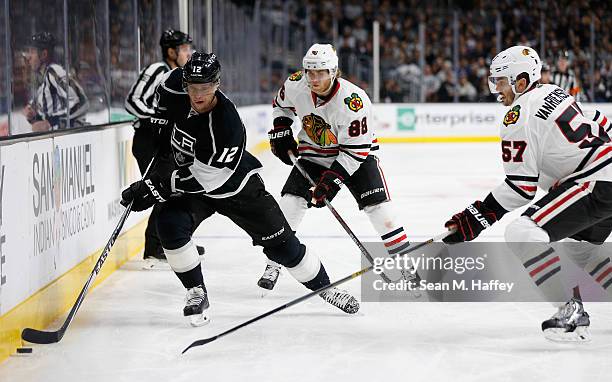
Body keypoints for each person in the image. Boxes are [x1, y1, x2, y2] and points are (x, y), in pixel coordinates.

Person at [120, 52, 360, 326]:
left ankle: (326, 288)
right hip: (193, 183)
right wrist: (157, 146)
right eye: (193, 88)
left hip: (236, 189)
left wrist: (157, 187)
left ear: (217, 84)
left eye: (206, 88)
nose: (198, 95)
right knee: (169, 225)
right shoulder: (174, 84)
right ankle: (196, 291)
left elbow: (208, 179)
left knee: (283, 247)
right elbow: (163, 113)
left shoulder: (227, 124)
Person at [442, 45, 612, 342]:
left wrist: (476, 217)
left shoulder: (517, 115)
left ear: (521, 82)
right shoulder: (554, 91)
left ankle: (570, 309)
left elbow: (522, 188)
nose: (496, 89)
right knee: (580, 249)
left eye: (501, 81)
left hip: (596, 181)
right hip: (602, 174)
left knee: (521, 232)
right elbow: (597, 118)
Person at [259, 43, 414, 293]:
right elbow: (281, 106)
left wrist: (330, 183)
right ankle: (274, 261)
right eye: (310, 71)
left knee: (380, 210)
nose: (314, 78)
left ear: (334, 72)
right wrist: (281, 128)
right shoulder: (297, 83)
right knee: (289, 204)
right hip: (313, 153)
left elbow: (355, 151)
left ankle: (407, 264)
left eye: (320, 72)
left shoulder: (354, 102)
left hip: (355, 155)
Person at [125, 29, 204, 264]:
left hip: (164, 140)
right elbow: (132, 100)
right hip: (149, 139)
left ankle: (173, 241)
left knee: (173, 190)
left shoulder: (178, 75)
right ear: (171, 51)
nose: (189, 53)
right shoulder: (157, 70)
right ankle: (156, 247)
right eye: (184, 49)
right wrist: (155, 118)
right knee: (161, 189)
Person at [23, 32, 88, 132]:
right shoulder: (43, 79)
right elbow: (48, 116)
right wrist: (33, 115)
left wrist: (49, 123)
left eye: (32, 52)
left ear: (44, 54)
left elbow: (82, 102)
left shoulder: (54, 72)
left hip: (70, 140)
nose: (28, 57)